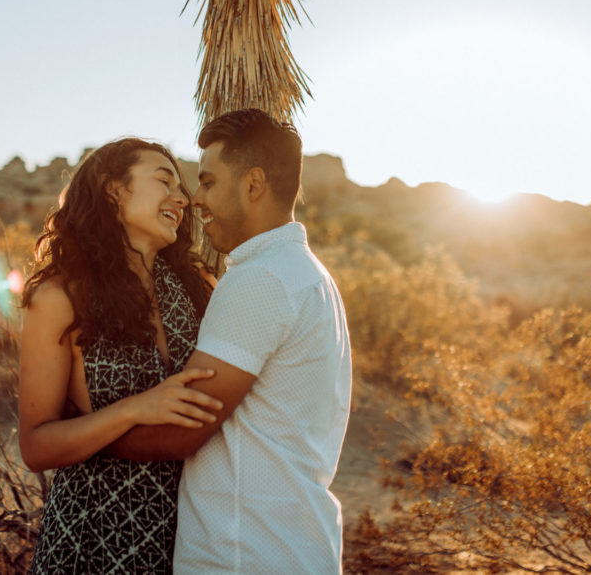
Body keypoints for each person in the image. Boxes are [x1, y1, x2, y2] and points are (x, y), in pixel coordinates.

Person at [106, 109, 353, 573]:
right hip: (291, 547)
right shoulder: (309, 276)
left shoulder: (261, 280)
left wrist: (80, 436)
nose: (195, 199)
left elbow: (184, 427)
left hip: (246, 554)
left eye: (208, 181)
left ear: (253, 184)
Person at [18, 138, 222, 574]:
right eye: (164, 181)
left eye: (181, 187)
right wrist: (135, 409)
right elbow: (35, 446)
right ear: (114, 190)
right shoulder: (60, 296)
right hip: (94, 534)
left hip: (194, 531)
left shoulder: (197, 285)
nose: (181, 199)